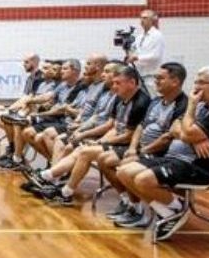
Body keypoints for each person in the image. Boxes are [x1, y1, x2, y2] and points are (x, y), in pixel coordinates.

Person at [116, 66, 209, 241]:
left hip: (197, 166)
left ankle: (176, 209)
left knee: (142, 180)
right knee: (123, 171)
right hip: (172, 159)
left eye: (201, 82)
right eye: (196, 81)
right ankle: (171, 211)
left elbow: (186, 132)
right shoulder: (202, 105)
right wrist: (194, 138)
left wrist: (190, 111)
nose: (195, 87)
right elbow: (175, 127)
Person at [35, 66, 151, 206]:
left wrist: (100, 142)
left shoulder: (141, 103)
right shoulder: (120, 98)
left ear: (131, 83)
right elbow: (113, 126)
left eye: (118, 83)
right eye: (114, 82)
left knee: (85, 152)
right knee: (81, 149)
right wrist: (100, 141)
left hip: (131, 145)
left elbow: (128, 135)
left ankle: (61, 189)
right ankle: (49, 177)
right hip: (116, 141)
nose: (114, 86)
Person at [101, 63, 189, 229]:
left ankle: (147, 210)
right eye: (155, 77)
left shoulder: (183, 105)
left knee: (124, 168)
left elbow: (168, 137)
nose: (155, 81)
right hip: (143, 149)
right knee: (115, 165)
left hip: (161, 153)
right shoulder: (156, 101)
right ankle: (149, 210)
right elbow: (141, 126)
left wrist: (142, 151)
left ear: (175, 81)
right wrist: (133, 148)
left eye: (160, 78)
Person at [0, 53, 45, 164]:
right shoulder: (30, 77)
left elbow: (30, 100)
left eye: (26, 62)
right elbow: (24, 97)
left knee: (6, 118)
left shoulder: (39, 78)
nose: (23, 64)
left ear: (34, 62)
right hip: (25, 108)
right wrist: (9, 107)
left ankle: (15, 150)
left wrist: (10, 109)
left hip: (32, 111)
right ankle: (14, 144)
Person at [126, 9, 165, 94]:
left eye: (145, 18)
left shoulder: (157, 35)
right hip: (138, 75)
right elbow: (135, 52)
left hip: (151, 76)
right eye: (141, 18)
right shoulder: (139, 37)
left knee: (152, 98)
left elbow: (156, 55)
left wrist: (137, 57)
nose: (142, 20)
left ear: (152, 20)